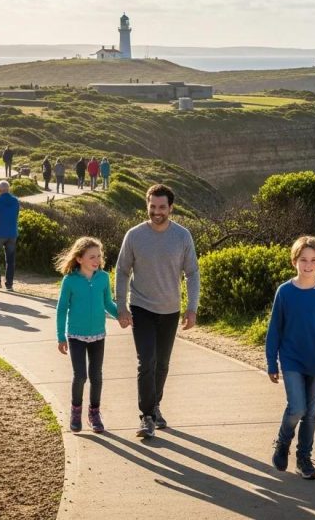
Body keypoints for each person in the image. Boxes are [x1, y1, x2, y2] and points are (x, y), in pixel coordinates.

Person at [115, 184, 200, 439]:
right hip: (141, 307)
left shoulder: (182, 236)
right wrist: (121, 306)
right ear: (147, 206)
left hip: (170, 310)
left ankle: (155, 406)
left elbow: (192, 273)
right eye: (152, 206)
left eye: (162, 207)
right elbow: (122, 271)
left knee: (162, 364)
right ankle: (147, 416)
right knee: (146, 362)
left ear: (171, 208)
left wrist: (192, 308)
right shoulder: (134, 235)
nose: (157, 211)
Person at [267, 236, 315, 480]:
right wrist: (271, 362)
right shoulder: (285, 292)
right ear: (294, 262)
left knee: (311, 412)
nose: (308, 265)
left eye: (313, 260)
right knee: (297, 408)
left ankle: (304, 459)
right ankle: (282, 441)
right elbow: (274, 329)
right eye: (303, 260)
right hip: (290, 359)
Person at [54, 237, 119, 434]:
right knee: (80, 376)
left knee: (96, 376)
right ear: (80, 258)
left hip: (98, 334)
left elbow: (108, 303)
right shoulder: (70, 280)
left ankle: (94, 413)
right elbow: (61, 309)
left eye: (99, 256)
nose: (97, 260)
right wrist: (60, 336)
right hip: (75, 336)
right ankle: (75, 411)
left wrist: (123, 316)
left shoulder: (103, 278)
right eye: (92, 256)